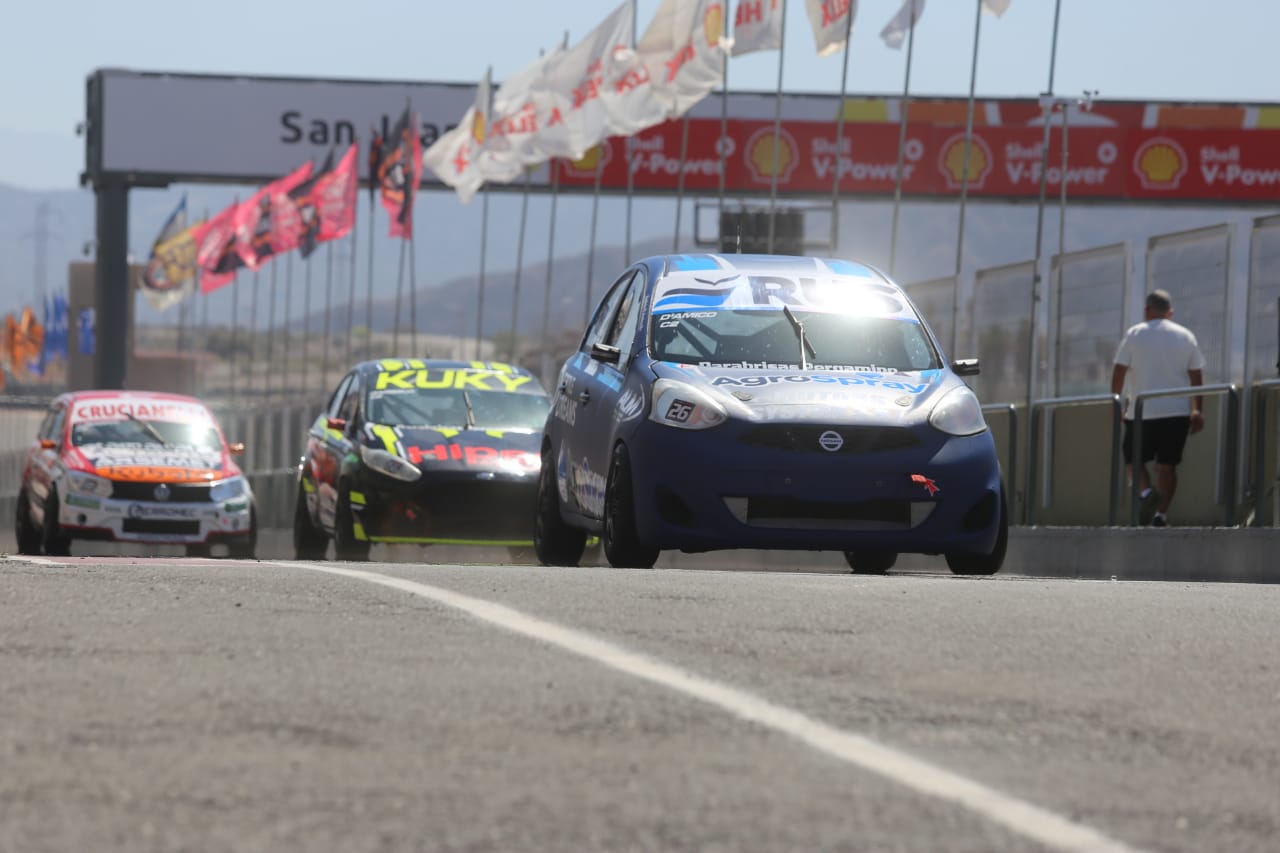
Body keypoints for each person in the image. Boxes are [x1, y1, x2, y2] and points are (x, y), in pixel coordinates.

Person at [1110, 289, 1206, 527]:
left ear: (1146, 310)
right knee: (1167, 466)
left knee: (1133, 460)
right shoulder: (1186, 336)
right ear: (1170, 312)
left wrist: (1116, 403)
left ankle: (1146, 494)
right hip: (1177, 411)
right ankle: (1160, 515)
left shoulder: (1135, 334)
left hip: (1142, 411)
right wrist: (1197, 410)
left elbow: (1119, 371)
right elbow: (1196, 376)